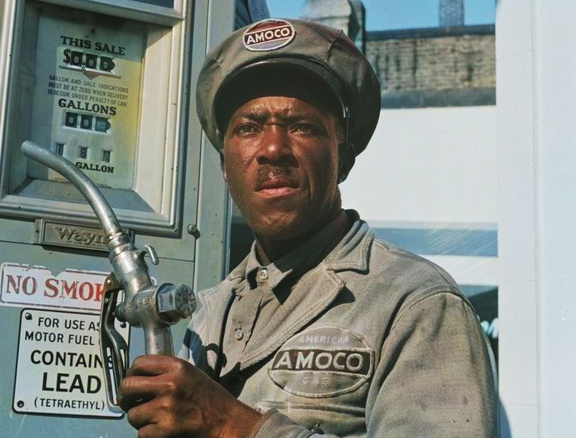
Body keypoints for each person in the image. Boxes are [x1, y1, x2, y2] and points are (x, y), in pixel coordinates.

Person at [118, 19, 497, 437]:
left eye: (301, 125)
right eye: (248, 127)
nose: (273, 149)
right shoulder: (208, 312)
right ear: (226, 167)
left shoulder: (417, 304)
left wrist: (234, 426)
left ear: (344, 159)